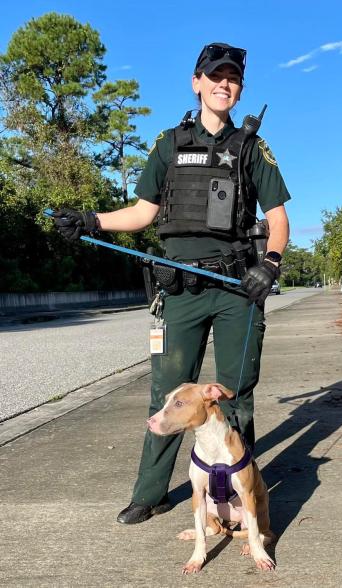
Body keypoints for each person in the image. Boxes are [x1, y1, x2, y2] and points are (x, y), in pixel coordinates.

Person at [53, 42, 291, 524]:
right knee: (167, 389)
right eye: (216, 76)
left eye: (234, 79)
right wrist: (90, 219)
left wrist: (270, 263)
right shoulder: (168, 143)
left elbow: (279, 217)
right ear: (196, 82)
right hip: (180, 290)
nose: (225, 84)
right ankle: (151, 492)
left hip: (235, 291)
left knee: (235, 393)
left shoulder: (250, 148)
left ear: (239, 90)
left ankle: (236, 493)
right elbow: (143, 214)